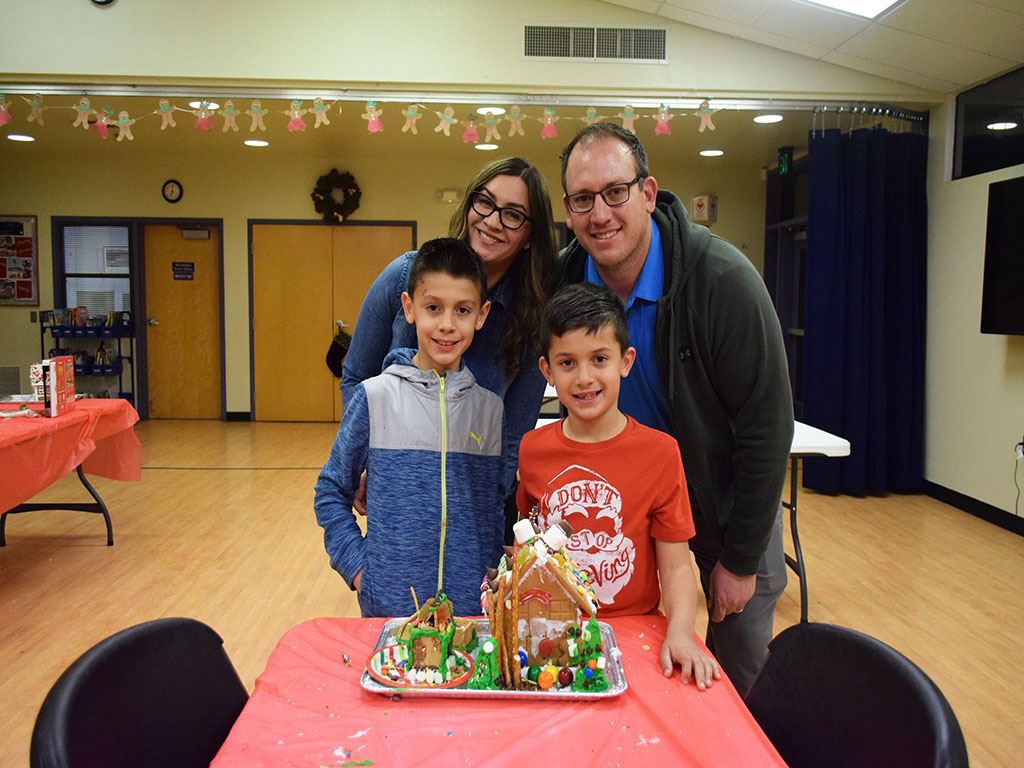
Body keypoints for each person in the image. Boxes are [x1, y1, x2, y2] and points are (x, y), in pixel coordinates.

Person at [558, 123, 794, 694]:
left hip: (726, 508)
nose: (601, 213)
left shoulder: (723, 281)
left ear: (647, 190)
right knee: (624, 665)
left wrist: (738, 562)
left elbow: (768, 428)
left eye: (616, 192)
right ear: (567, 211)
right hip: (626, 518)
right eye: (583, 200)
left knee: (734, 682)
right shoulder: (563, 280)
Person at [516, 282, 720, 690]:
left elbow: (677, 563)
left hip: (634, 632)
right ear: (547, 372)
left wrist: (680, 630)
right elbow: (528, 543)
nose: (585, 377)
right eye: (568, 363)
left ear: (626, 361)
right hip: (551, 634)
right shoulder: (532, 448)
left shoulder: (661, 453)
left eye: (600, 359)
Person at [342, 157, 558, 539]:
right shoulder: (403, 277)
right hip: (400, 491)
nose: (492, 221)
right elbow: (357, 376)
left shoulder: (529, 315)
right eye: (485, 203)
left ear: (529, 235)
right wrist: (361, 462)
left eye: (512, 214)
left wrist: (485, 504)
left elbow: (513, 433)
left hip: (473, 501)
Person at [314, 238, 505, 617]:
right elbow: (331, 491)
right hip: (391, 611)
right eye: (433, 308)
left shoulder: (490, 410)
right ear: (409, 307)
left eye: (462, 310)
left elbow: (492, 510)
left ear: (481, 315)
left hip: (472, 614)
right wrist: (361, 572)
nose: (447, 325)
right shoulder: (374, 397)